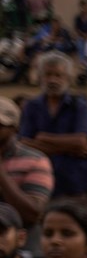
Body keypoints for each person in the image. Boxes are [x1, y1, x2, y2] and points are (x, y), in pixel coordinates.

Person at [18, 52, 87, 199]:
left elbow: (81, 142)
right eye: (48, 75)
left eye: (58, 75)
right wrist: (69, 148)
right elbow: (24, 143)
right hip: (39, 178)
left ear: (68, 78)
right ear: (40, 77)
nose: (52, 80)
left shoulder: (79, 106)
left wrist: (42, 137)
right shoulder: (31, 106)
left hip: (75, 179)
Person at [0, 95, 52, 228]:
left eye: (0, 126)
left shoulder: (36, 161)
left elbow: (32, 214)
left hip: (22, 244)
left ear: (15, 128)